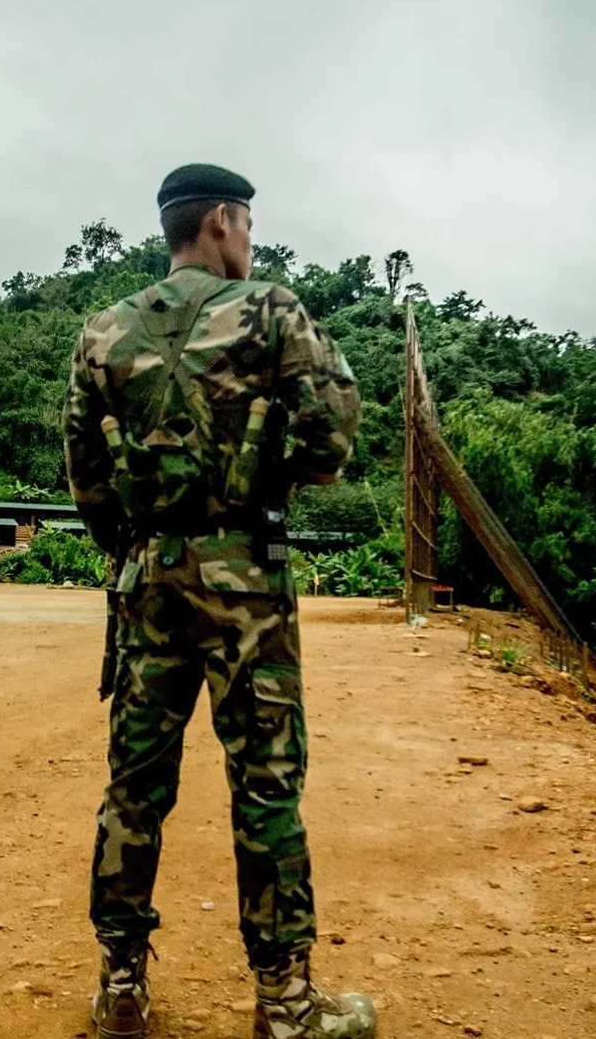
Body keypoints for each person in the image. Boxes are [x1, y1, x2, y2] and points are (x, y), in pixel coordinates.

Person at [62, 163, 374, 1039]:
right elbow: (332, 444)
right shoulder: (273, 310)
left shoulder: (101, 331)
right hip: (247, 584)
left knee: (135, 786)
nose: (250, 243)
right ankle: (285, 1006)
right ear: (225, 223)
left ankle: (121, 988)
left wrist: (141, 548)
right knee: (266, 786)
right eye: (247, 228)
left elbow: (87, 480)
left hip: (147, 577)